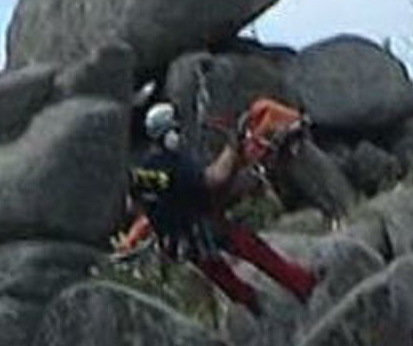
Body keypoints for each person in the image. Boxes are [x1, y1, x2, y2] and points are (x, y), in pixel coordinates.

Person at [125, 102, 317, 315]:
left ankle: (253, 306)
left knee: (219, 274)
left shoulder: (145, 170)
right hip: (200, 227)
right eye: (176, 130)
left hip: (177, 239)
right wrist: (233, 147)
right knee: (253, 248)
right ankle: (301, 284)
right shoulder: (173, 164)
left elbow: (135, 205)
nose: (179, 135)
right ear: (168, 134)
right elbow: (214, 179)